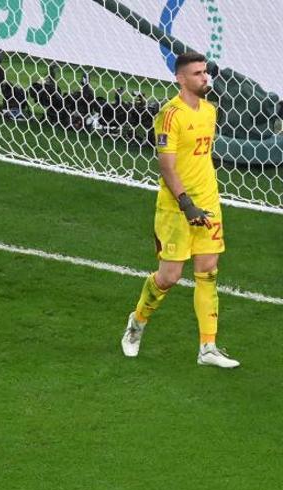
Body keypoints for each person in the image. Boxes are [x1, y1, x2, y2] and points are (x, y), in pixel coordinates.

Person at [120, 52, 239, 368]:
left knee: (208, 271)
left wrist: (203, 202)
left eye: (205, 72)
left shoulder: (210, 111)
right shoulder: (169, 115)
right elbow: (167, 166)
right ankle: (137, 322)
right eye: (198, 74)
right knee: (169, 277)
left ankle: (208, 347)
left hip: (209, 202)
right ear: (181, 79)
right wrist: (187, 205)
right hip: (177, 209)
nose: (205, 78)